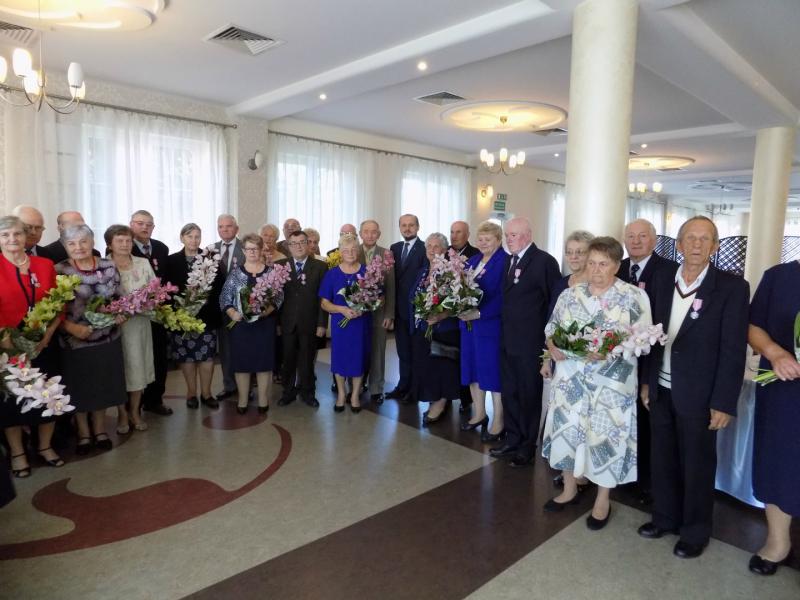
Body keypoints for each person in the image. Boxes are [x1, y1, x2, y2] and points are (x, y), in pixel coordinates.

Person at [638, 216, 749, 559]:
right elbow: (649, 332)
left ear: (714, 247)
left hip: (700, 395)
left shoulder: (731, 287)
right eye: (690, 238)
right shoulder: (662, 279)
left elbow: (733, 350)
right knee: (662, 458)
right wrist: (646, 381)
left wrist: (724, 402)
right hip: (661, 387)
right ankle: (664, 517)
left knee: (697, 465)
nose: (697, 244)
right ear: (679, 244)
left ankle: (695, 531)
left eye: (705, 239)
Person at [542, 237, 651, 530]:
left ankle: (603, 499)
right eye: (591, 263)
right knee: (567, 432)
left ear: (616, 265)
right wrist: (551, 346)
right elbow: (551, 328)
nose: (596, 269)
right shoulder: (570, 294)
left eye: (603, 264)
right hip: (570, 381)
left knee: (605, 439)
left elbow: (643, 340)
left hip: (611, 385)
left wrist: (610, 349)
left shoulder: (633, 296)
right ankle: (569, 488)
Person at [617, 218, 679, 504]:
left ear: (654, 240)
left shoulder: (670, 270)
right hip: (620, 361)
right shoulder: (617, 268)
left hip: (651, 361)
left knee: (649, 424)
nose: (636, 241)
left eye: (643, 236)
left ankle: (648, 483)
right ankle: (623, 473)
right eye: (631, 236)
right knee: (623, 419)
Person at [490, 217, 560, 467]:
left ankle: (527, 445)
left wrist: (547, 346)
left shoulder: (544, 262)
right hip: (507, 339)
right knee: (510, 392)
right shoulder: (508, 260)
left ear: (528, 235)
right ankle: (512, 438)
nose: (509, 239)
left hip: (531, 343)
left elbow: (553, 304)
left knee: (529, 394)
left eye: (514, 235)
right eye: (507, 235)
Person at [746, 261, 800, 575]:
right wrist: (775, 352)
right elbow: (753, 326)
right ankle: (779, 542)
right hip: (783, 388)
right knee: (778, 465)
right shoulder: (779, 277)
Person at [0, 215, 64, 477]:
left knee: (49, 394)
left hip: (43, 345)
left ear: (26, 236)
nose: (12, 239)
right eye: (5, 235)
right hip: (7, 349)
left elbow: (58, 302)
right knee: (12, 403)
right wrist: (10, 347)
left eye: (17, 233)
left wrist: (46, 337)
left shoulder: (44, 264)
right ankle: (18, 453)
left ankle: (45, 447)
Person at [55, 224, 127, 455]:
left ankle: (100, 429)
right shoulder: (59, 270)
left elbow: (120, 298)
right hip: (75, 340)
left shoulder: (108, 266)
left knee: (101, 385)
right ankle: (84, 433)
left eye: (83, 241)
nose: (78, 247)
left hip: (106, 338)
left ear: (92, 242)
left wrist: (120, 313)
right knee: (79, 387)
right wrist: (70, 327)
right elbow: (52, 310)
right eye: (72, 243)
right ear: (65, 246)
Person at [166, 223, 224, 410]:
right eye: (189, 236)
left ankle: (206, 393)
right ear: (182, 238)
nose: (193, 240)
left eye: (197, 236)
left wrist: (206, 301)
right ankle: (191, 393)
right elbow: (167, 289)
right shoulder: (171, 261)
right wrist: (178, 309)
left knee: (206, 358)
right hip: (181, 319)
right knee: (187, 358)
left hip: (206, 318)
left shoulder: (210, 259)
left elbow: (220, 287)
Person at [220, 234, 281, 414]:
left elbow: (279, 297)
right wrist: (233, 313)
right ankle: (242, 400)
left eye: (255, 248)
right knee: (242, 364)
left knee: (264, 363)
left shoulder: (271, 273)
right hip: (241, 327)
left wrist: (266, 311)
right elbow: (224, 297)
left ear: (261, 250)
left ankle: (263, 400)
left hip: (264, 325)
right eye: (249, 249)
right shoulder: (236, 273)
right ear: (244, 251)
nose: (252, 252)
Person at [458, 221, 507, 441]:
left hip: (489, 325)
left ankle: (498, 420)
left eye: (488, 239)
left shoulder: (504, 262)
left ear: (498, 240)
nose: (483, 243)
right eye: (480, 239)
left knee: (491, 372)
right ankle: (479, 413)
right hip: (468, 326)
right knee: (472, 370)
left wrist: (479, 313)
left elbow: (503, 298)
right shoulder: (473, 260)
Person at [106, 224, 154, 434]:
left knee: (137, 369)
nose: (125, 244)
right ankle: (122, 413)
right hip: (113, 328)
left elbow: (155, 290)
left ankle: (134, 411)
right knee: (118, 370)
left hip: (139, 326)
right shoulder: (103, 266)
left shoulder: (143, 263)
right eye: (119, 241)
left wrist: (147, 303)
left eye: (128, 240)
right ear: (110, 244)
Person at [410, 233, 461, 424]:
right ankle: (434, 398)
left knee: (442, 367)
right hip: (423, 328)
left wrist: (441, 315)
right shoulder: (423, 270)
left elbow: (458, 302)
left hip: (444, 330)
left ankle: (441, 403)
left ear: (445, 250)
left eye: (436, 246)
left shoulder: (450, 272)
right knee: (427, 367)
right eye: (429, 246)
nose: (432, 250)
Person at [276, 230, 328, 408]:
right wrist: (277, 323)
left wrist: (322, 323)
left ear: (308, 244)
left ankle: (308, 392)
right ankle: (288, 392)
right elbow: (276, 298)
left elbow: (323, 298)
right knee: (288, 360)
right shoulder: (279, 266)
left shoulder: (320, 267)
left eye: (302, 242)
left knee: (307, 361)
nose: (298, 246)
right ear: (288, 246)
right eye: (294, 243)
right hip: (287, 323)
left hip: (310, 322)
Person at [319, 234, 370, 413]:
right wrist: (341, 309)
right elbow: (324, 303)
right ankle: (341, 394)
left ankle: (354, 395)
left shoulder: (367, 272)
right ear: (340, 252)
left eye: (353, 249)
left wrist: (363, 308)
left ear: (358, 251)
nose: (350, 253)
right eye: (346, 250)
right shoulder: (332, 274)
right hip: (340, 325)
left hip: (360, 324)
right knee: (339, 360)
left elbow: (377, 298)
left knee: (358, 359)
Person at [129, 210, 171, 417]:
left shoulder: (162, 248)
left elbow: (167, 279)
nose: (145, 227)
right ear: (131, 225)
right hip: (133, 314)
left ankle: (155, 399)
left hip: (158, 313)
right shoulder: (125, 248)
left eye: (149, 224)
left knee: (159, 357)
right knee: (135, 358)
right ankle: (133, 406)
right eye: (140, 223)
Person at [387, 214, 427, 403]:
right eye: (404, 225)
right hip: (398, 310)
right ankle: (402, 386)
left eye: (411, 225)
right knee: (402, 351)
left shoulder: (425, 248)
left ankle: (415, 390)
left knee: (416, 352)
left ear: (418, 227)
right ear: (400, 227)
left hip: (416, 311)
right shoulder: (394, 248)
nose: (407, 228)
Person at [357, 219, 395, 403]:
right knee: (358, 350)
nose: (370, 235)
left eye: (374, 232)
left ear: (379, 234)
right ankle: (356, 385)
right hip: (357, 312)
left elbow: (391, 287)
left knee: (378, 350)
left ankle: (376, 388)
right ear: (360, 234)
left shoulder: (386, 254)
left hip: (379, 312)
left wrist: (389, 314)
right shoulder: (352, 251)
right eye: (366, 231)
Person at [214, 214, 245, 401]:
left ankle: (245, 387)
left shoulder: (246, 248)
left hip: (242, 307)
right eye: (221, 226)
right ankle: (229, 385)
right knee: (225, 349)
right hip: (220, 308)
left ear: (236, 228)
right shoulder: (211, 250)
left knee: (243, 348)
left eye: (228, 226)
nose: (224, 229)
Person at [449, 220, 479, 415]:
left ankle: (466, 399)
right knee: (449, 359)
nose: (454, 236)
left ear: (467, 234)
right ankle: (449, 394)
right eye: (452, 232)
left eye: (459, 232)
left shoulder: (476, 254)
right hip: (447, 316)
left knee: (464, 359)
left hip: (467, 317)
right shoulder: (446, 253)